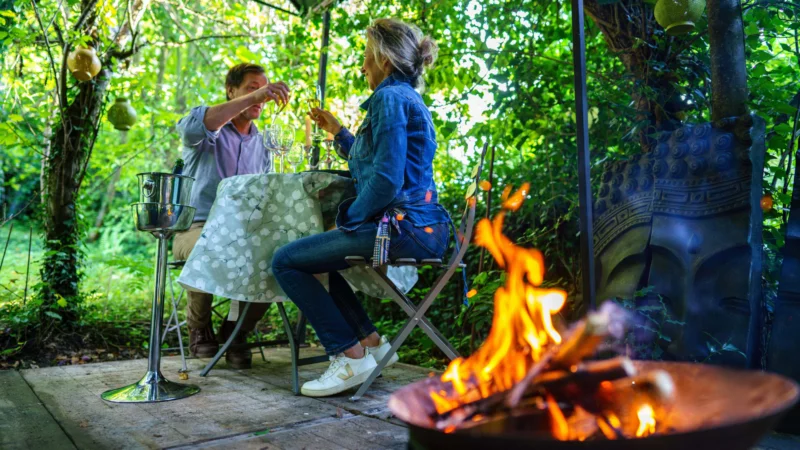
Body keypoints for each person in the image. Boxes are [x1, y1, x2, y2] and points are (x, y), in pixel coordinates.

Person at [271, 18, 449, 397]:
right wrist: (339, 133)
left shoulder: (388, 98)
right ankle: (369, 344)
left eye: (367, 57)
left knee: (285, 261)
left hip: (403, 227)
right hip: (420, 225)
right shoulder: (404, 98)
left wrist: (348, 221)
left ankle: (347, 357)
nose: (363, 65)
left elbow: (385, 181)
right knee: (319, 261)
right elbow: (377, 165)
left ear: (384, 60)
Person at [173, 63, 290, 369]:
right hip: (196, 228)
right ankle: (198, 328)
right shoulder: (208, 131)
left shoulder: (264, 144)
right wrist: (256, 96)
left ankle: (236, 332)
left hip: (244, 233)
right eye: (253, 88)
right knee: (209, 245)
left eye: (264, 90)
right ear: (231, 91)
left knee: (282, 259)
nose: (262, 98)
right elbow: (192, 126)